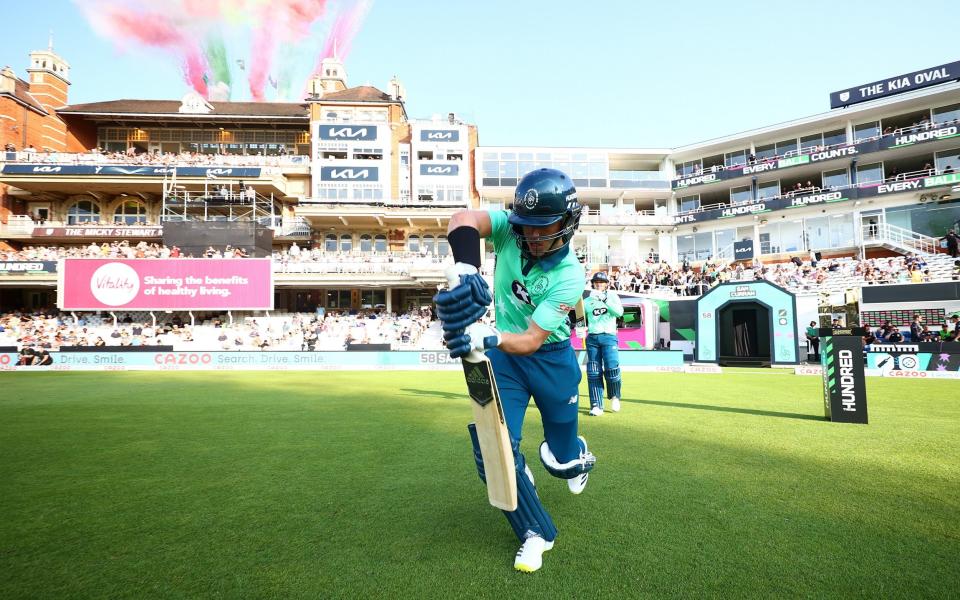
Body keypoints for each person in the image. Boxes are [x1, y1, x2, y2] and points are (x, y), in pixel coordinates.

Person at [433, 168, 595, 573]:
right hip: (505, 362)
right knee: (494, 449)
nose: (534, 237)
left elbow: (531, 339)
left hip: (550, 357)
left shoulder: (570, 274)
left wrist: (486, 337)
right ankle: (535, 533)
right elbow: (461, 219)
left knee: (559, 459)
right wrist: (467, 269)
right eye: (528, 227)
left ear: (568, 223)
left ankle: (577, 456)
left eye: (546, 228)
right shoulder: (509, 229)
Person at [583, 271, 624, 416]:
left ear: (606, 284)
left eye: (602, 282)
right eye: (596, 282)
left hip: (609, 336)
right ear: (593, 284)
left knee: (612, 367)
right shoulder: (588, 301)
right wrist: (580, 327)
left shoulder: (612, 296)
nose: (599, 284)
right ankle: (596, 405)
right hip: (593, 337)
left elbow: (619, 312)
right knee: (593, 372)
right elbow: (581, 316)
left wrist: (605, 300)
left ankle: (615, 397)